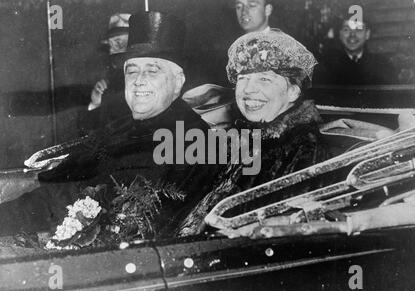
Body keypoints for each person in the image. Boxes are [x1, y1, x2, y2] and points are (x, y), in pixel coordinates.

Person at [0, 11, 216, 239]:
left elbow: (138, 221)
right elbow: (60, 189)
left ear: (178, 83)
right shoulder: (121, 128)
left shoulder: (191, 140)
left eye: (153, 70)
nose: (139, 79)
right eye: (131, 71)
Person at [178, 29, 331, 236]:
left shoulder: (306, 147)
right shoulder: (238, 138)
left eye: (264, 80)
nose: (248, 90)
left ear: (293, 91)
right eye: (243, 78)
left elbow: (285, 229)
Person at [83, 13, 132, 130]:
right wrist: (96, 104)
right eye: (109, 45)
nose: (111, 51)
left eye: (118, 43)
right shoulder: (110, 78)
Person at [315, 17, 398, 85]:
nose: (352, 35)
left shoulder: (382, 66)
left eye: (358, 29)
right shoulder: (326, 66)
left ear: (367, 34)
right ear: (340, 34)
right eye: (346, 30)